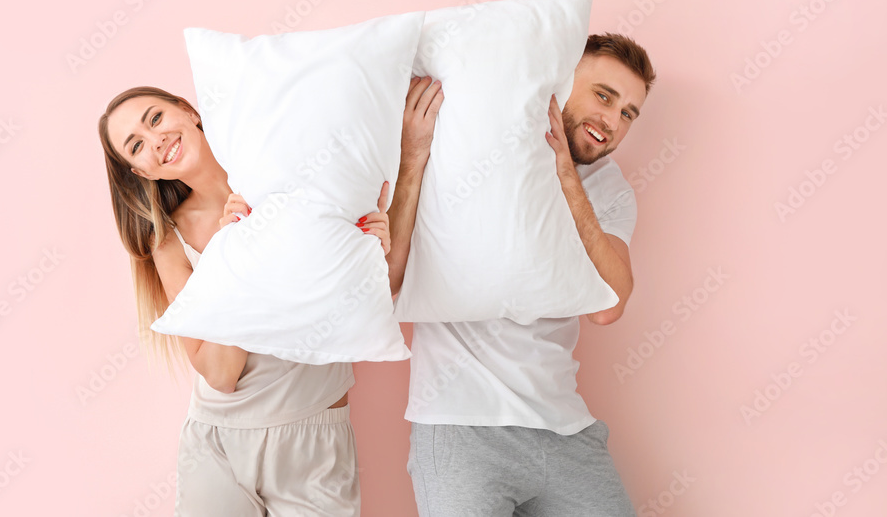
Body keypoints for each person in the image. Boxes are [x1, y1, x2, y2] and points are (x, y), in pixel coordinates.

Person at [388, 34, 655, 516]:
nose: (613, 121)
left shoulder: (612, 191)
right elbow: (388, 281)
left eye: (629, 114)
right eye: (604, 96)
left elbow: (609, 307)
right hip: (460, 426)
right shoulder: (470, 150)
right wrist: (411, 160)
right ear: (562, 81)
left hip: (565, 429)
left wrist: (567, 179)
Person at [98, 86, 391, 516]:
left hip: (313, 438)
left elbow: (355, 299)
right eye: (136, 145)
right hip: (218, 445)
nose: (155, 140)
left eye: (155, 118)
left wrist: (369, 251)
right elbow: (221, 373)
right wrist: (231, 252)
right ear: (141, 172)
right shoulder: (170, 242)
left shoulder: (290, 178)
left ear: (188, 111)